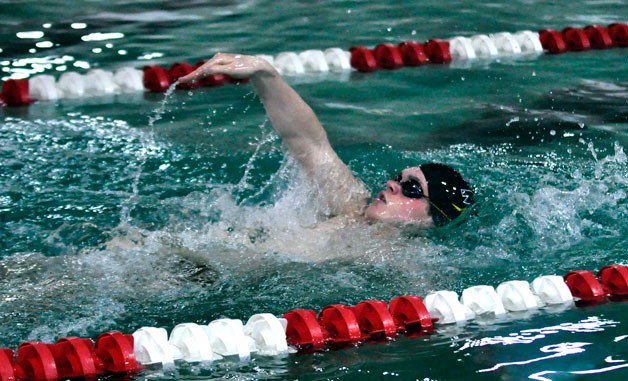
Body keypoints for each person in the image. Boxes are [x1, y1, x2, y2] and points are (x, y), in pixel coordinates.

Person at [180, 53, 474, 228]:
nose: (392, 185)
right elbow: (308, 141)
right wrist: (265, 73)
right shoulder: (350, 204)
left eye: (410, 188)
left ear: (431, 217)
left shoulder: (407, 265)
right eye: (398, 178)